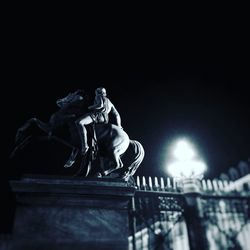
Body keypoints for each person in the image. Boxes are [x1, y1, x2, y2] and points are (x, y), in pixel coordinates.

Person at [76, 87, 122, 155]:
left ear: (97, 92)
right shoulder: (109, 102)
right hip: (106, 119)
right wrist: (119, 125)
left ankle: (85, 145)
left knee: (79, 122)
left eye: (98, 92)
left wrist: (90, 107)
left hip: (97, 115)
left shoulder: (98, 96)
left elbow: (100, 105)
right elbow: (117, 114)